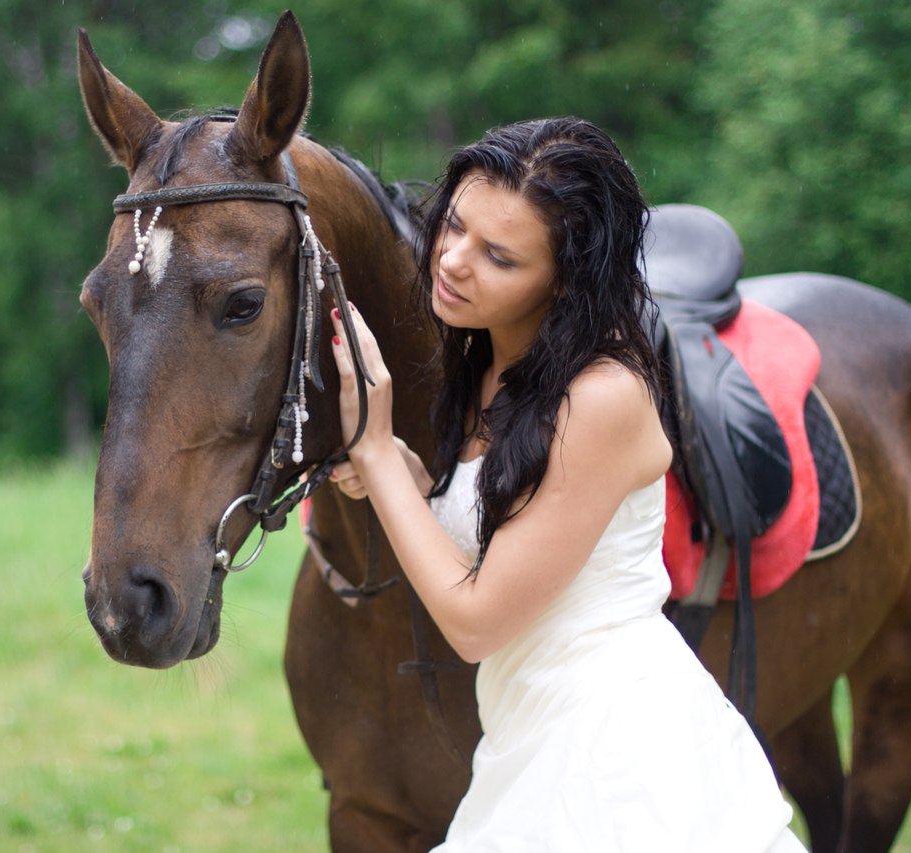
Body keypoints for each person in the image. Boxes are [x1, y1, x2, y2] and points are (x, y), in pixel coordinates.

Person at [328, 118, 805, 850]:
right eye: (452, 224)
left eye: (500, 256)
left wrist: (379, 449)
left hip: (616, 753)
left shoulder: (602, 397)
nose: (452, 260)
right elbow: (500, 528)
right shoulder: (487, 361)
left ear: (565, 280)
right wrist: (404, 475)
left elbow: (478, 620)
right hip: (530, 732)